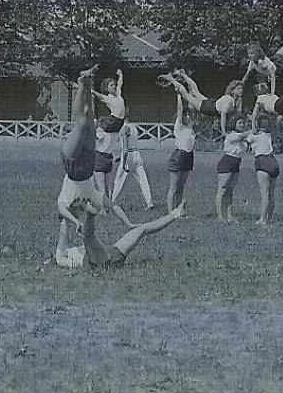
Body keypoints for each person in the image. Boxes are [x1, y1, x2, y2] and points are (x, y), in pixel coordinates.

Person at [56, 66, 134, 260]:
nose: (81, 207)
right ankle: (84, 83)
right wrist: (129, 224)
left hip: (73, 162)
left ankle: (83, 84)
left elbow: (62, 210)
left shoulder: (66, 199)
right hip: (86, 159)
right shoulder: (91, 195)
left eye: (79, 208)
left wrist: (74, 221)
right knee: (87, 120)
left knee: (83, 122)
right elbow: (113, 205)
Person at [57, 202, 188, 269]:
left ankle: (176, 213)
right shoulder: (61, 259)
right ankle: (91, 214)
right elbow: (62, 246)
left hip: (112, 255)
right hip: (99, 264)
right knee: (88, 237)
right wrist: (64, 221)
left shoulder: (69, 254)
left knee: (142, 229)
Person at [163, 91, 197, 212]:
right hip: (179, 156)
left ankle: (178, 211)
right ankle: (170, 212)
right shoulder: (179, 126)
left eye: (189, 116)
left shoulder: (191, 127)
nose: (188, 117)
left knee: (181, 187)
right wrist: (178, 94)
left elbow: (193, 110)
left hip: (189, 156)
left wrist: (189, 94)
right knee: (174, 187)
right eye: (186, 115)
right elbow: (180, 109)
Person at [112, 119, 155, 210]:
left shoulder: (125, 128)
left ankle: (112, 202)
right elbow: (132, 144)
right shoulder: (134, 127)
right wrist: (119, 157)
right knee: (143, 179)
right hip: (136, 154)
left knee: (119, 181)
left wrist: (123, 163)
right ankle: (149, 202)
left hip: (128, 156)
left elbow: (125, 148)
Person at [247, 103, 279, 226]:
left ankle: (262, 219)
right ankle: (269, 217)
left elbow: (251, 132)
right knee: (271, 193)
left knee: (264, 193)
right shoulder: (270, 134)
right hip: (273, 161)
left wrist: (252, 118)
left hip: (262, 161)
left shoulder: (253, 135)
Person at [216, 114, 249, 224]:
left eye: (243, 123)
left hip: (236, 163)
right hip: (227, 162)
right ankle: (220, 216)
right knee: (222, 190)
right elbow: (242, 136)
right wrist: (254, 129)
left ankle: (229, 215)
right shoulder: (231, 135)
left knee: (230, 191)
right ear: (234, 124)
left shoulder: (244, 138)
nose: (242, 125)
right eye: (240, 123)